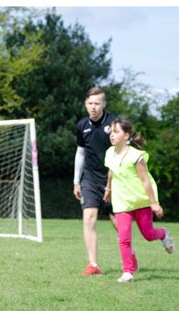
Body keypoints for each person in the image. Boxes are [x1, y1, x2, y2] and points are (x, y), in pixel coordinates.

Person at [103, 117, 175, 283]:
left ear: (127, 135)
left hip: (141, 201)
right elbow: (111, 171)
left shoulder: (136, 156)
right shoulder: (109, 153)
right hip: (122, 202)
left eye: (116, 132)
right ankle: (128, 272)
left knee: (148, 234)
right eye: (111, 131)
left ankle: (163, 234)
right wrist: (108, 189)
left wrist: (154, 203)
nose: (112, 135)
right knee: (124, 238)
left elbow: (145, 180)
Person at [73, 87, 118, 275]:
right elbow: (80, 153)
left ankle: (130, 253)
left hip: (113, 178)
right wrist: (76, 181)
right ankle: (93, 264)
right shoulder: (82, 125)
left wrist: (111, 184)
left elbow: (121, 153)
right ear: (85, 103)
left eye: (97, 103)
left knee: (118, 223)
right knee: (89, 218)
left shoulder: (114, 124)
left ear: (104, 104)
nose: (93, 107)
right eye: (90, 103)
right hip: (90, 179)